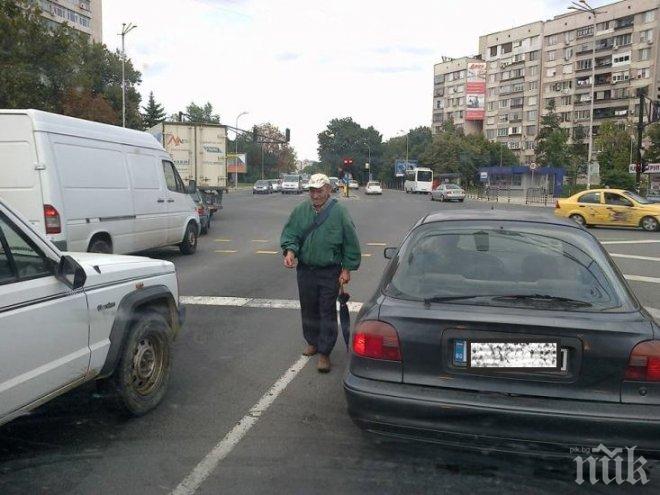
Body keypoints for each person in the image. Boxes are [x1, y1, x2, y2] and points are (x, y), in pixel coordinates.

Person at [280, 173, 361, 372]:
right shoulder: (300, 211)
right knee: (308, 308)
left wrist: (347, 269)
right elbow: (291, 234)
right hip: (306, 270)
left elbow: (350, 242)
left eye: (319, 190)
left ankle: (325, 352)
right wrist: (290, 251)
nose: (315, 195)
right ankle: (313, 342)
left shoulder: (339, 212)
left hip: (329, 271)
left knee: (326, 310)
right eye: (312, 191)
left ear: (328, 189)